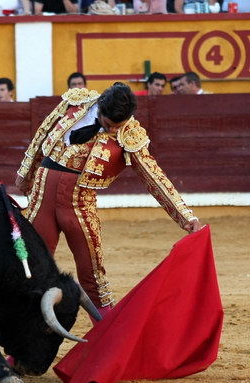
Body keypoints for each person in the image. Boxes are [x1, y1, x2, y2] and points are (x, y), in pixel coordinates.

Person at [16, 83, 200, 316]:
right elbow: (42, 133)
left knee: (92, 276)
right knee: (32, 268)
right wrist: (25, 173)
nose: (112, 130)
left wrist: (185, 216)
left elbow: (154, 176)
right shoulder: (76, 103)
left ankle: (106, 338)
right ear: (100, 107)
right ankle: (23, 345)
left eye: (117, 126)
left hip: (79, 204)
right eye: (108, 124)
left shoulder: (130, 134)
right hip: (41, 196)